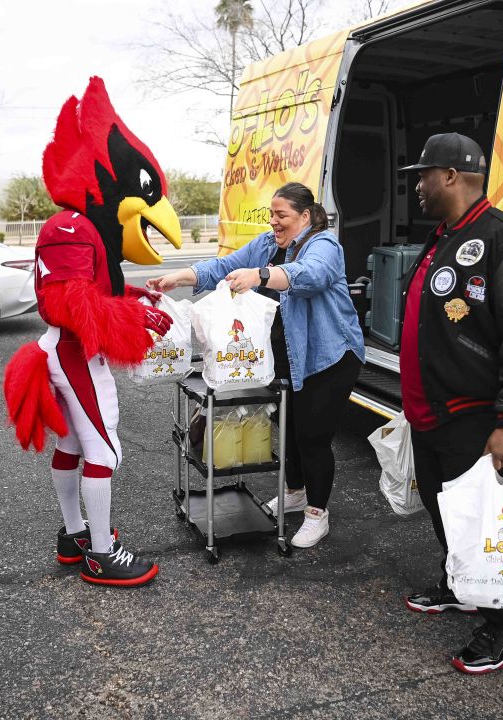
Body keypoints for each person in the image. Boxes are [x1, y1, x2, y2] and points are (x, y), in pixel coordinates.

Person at [3, 77, 181, 587]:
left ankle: (75, 534)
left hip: (72, 351)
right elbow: (65, 302)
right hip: (74, 354)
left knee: (79, 446)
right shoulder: (70, 226)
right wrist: (132, 318)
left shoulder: (81, 228)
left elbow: (91, 292)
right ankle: (101, 553)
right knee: (104, 450)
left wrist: (132, 302)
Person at [396, 133, 503, 674]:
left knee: (487, 524)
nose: (416, 186)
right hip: (432, 413)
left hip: (478, 415)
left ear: (449, 176)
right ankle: (459, 583)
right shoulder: (445, 235)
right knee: (448, 512)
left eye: (422, 175)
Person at [148, 182, 365, 549]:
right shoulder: (268, 244)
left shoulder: (324, 245)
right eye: (271, 215)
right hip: (287, 358)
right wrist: (179, 277)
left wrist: (260, 276)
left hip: (329, 356)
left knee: (312, 435)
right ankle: (295, 493)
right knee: (290, 429)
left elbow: (309, 276)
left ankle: (317, 513)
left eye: (281, 216)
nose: (274, 223)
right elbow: (225, 266)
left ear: (306, 216)